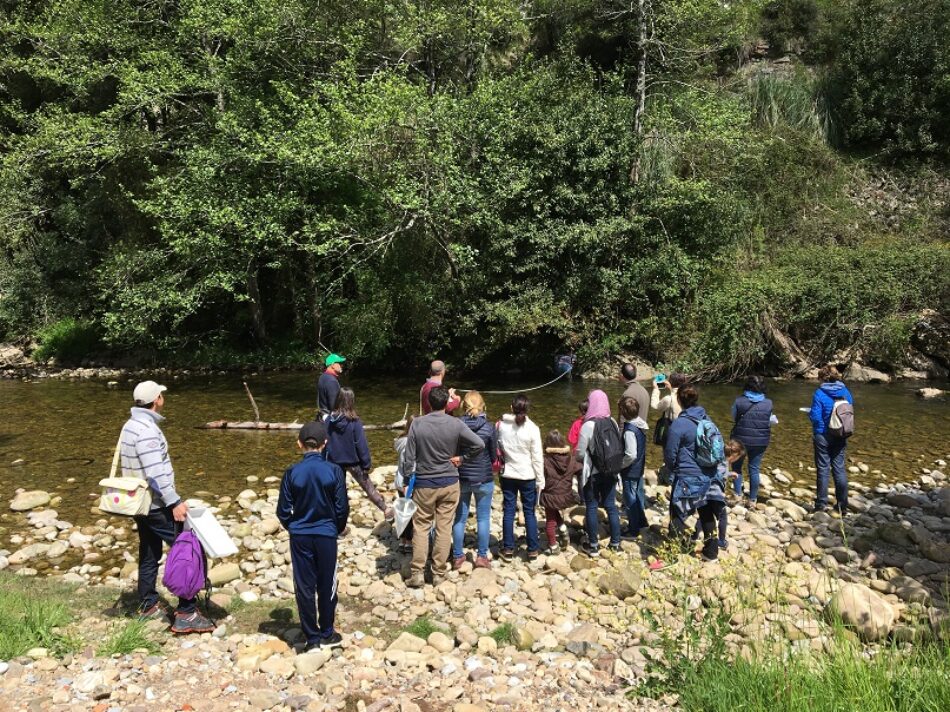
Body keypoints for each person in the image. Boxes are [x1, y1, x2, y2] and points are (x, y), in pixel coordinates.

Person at [121, 380, 214, 634]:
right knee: (187, 549)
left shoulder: (130, 425)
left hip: (138, 502)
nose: (163, 397)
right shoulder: (148, 430)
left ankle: (148, 604)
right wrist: (174, 501)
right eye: (161, 394)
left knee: (149, 551)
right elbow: (155, 471)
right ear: (157, 399)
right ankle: (186, 612)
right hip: (156, 503)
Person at [277, 420, 349, 651]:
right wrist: (336, 528)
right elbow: (342, 508)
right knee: (327, 583)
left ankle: (312, 638)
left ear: (300, 444)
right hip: (326, 533)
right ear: (324, 443)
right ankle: (327, 631)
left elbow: (283, 510)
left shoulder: (292, 472)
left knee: (304, 585)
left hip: (300, 535)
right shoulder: (335, 470)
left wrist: (294, 526)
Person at [403, 386, 485, 587]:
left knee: (421, 528)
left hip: (424, 483)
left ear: (429, 403)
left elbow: (409, 456)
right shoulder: (455, 423)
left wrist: (407, 479)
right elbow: (479, 444)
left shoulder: (418, 424)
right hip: (449, 482)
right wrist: (463, 459)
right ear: (446, 403)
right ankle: (439, 573)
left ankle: (418, 573)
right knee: (444, 527)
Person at [664, 385, 727, 561]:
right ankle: (711, 552)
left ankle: (671, 553)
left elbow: (670, 454)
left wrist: (672, 470)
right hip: (710, 474)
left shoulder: (679, 424)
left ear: (679, 400)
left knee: (677, 512)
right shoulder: (707, 419)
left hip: (687, 476)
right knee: (706, 511)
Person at [325, 387, 393, 519]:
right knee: (368, 486)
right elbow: (361, 445)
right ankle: (385, 509)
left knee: (338, 492)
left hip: (334, 461)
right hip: (353, 461)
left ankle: (339, 521)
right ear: (351, 401)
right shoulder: (354, 421)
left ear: (338, 399)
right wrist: (366, 464)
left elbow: (326, 441)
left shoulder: (329, 420)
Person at [452, 391, 498, 569]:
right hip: (483, 477)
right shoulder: (489, 426)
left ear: (464, 406)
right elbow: (494, 455)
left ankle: (457, 555)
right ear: (483, 405)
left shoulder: (457, 425)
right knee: (483, 518)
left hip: (462, 475)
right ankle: (481, 556)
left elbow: (453, 449)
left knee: (460, 518)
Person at [497, 394, 545, 561]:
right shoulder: (533, 429)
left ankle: (508, 548)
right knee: (529, 512)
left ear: (512, 408)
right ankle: (532, 549)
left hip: (508, 473)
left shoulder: (502, 427)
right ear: (528, 409)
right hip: (527, 475)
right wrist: (541, 480)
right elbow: (537, 457)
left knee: (509, 510)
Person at [575, 389, 623, 557]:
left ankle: (593, 545)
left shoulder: (587, 425)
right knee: (611, 506)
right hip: (611, 471)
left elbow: (579, 453)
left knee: (592, 505)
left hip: (593, 473)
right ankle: (616, 543)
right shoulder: (613, 423)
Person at [809, 365, 854, 514]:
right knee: (839, 468)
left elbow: (815, 417)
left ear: (823, 378)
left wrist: (815, 421)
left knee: (823, 469)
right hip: (840, 434)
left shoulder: (819, 393)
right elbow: (849, 411)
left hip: (822, 434)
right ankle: (842, 505)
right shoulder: (846, 392)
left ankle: (821, 504)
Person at [730, 375, 778, 507]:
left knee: (736, 467)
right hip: (760, 441)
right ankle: (752, 500)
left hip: (739, 440)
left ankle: (737, 495)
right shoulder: (768, 403)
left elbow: (734, 417)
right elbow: (768, 420)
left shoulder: (739, 401)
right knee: (754, 469)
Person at [693, 439, 745, 550]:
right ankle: (721, 541)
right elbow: (719, 474)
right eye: (738, 458)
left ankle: (695, 535)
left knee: (704, 515)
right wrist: (730, 474)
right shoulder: (724, 462)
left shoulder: (716, 458)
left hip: (705, 492)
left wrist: (729, 473)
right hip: (715, 494)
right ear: (734, 455)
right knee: (722, 516)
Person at [540, 430, 576, 554]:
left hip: (550, 495)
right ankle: (562, 527)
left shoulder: (544, 460)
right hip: (566, 495)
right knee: (554, 509)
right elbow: (579, 469)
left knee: (550, 521)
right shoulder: (571, 459)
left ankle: (553, 546)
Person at [618, 396, 649, 538]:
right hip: (639, 467)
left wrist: (621, 465)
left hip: (630, 470)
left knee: (630, 499)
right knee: (635, 495)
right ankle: (641, 521)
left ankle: (633, 529)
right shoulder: (640, 424)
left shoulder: (630, 430)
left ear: (623, 412)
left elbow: (631, 454)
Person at [393, 415, 415, 553]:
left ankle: (402, 539)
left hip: (399, 480)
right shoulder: (413, 442)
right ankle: (409, 541)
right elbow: (410, 464)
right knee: (411, 512)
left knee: (403, 510)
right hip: (409, 482)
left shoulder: (400, 440)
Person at [317, 353, 346, 419]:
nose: (342, 365)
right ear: (332, 365)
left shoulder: (322, 377)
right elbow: (334, 406)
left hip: (322, 415)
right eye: (339, 363)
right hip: (329, 419)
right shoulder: (332, 381)